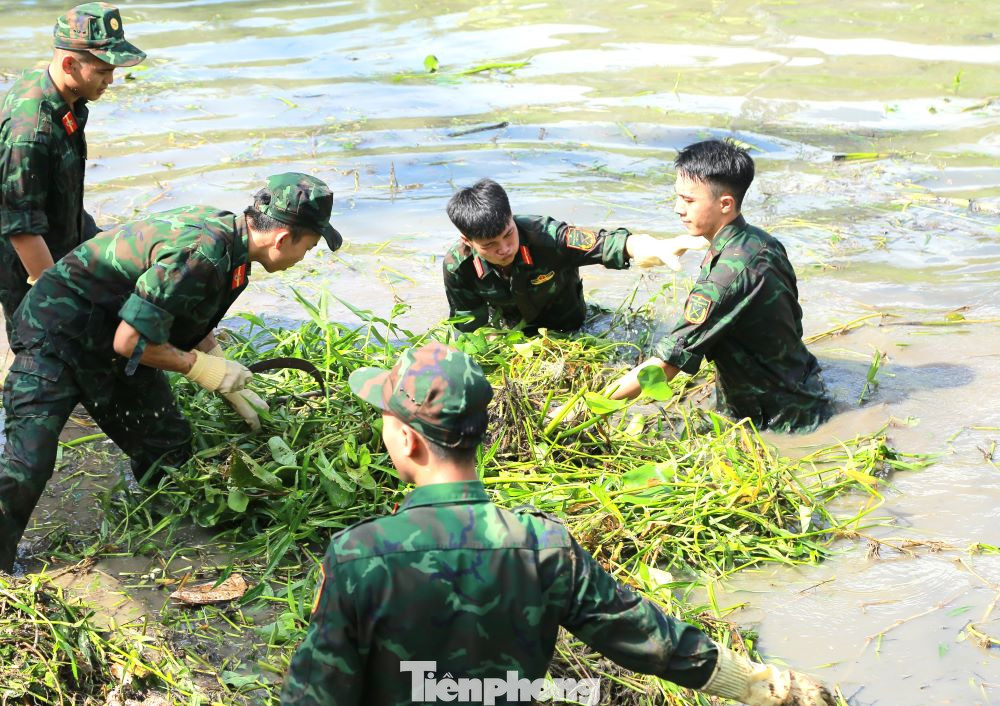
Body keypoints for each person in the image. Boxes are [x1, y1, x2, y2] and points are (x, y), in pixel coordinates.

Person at [280, 341, 835, 706]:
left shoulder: (358, 556)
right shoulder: (542, 545)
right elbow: (644, 636)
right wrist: (761, 686)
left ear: (405, 439)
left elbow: (319, 692)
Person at [0, 173, 343, 573]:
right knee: (30, 458)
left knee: (168, 447)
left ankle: (162, 528)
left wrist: (225, 370)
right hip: (55, 331)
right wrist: (202, 369)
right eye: (310, 247)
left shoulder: (232, 250)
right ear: (283, 239)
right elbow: (130, 343)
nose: (305, 257)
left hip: (110, 332)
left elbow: (181, 315)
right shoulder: (201, 253)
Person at [566, 140, 833, 432]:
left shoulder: (724, 279)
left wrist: (585, 408)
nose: (678, 209)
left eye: (689, 200)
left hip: (780, 420)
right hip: (805, 387)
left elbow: (666, 364)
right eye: (678, 198)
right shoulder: (762, 242)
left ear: (725, 204)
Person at [0, 2, 146, 338]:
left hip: (66, 227)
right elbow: (22, 229)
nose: (111, 80)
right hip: (26, 260)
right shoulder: (30, 133)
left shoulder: (67, 96)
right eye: (103, 70)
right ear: (69, 63)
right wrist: (52, 296)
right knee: (42, 355)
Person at [442, 178, 705, 333]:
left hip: (572, 326)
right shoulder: (459, 267)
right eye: (490, 245)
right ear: (468, 240)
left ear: (511, 218)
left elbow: (605, 243)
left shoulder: (546, 237)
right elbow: (469, 327)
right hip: (516, 333)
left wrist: (648, 247)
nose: (505, 249)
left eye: (508, 235)